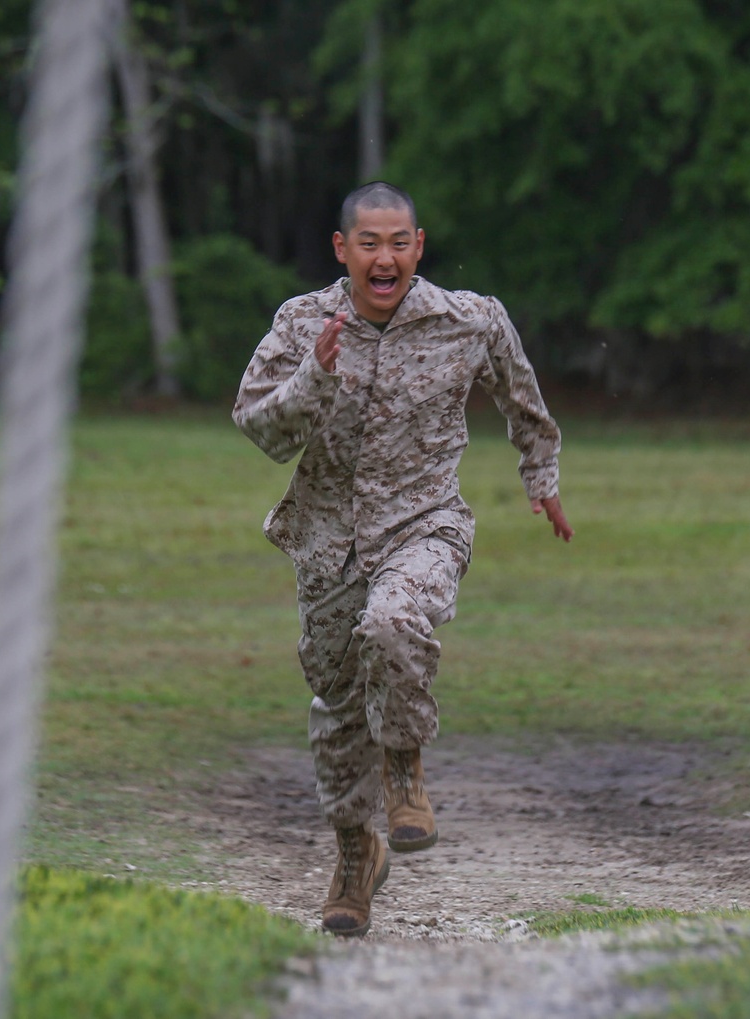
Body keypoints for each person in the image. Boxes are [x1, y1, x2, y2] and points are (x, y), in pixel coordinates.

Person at [232, 181, 573, 937]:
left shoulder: (468, 320)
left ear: (417, 247)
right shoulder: (300, 323)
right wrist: (313, 377)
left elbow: (523, 399)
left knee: (395, 622)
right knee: (336, 702)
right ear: (342, 250)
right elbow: (261, 430)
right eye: (369, 244)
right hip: (325, 541)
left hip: (424, 524)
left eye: (398, 243)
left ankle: (405, 768)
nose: (383, 257)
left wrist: (541, 479)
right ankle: (357, 855)